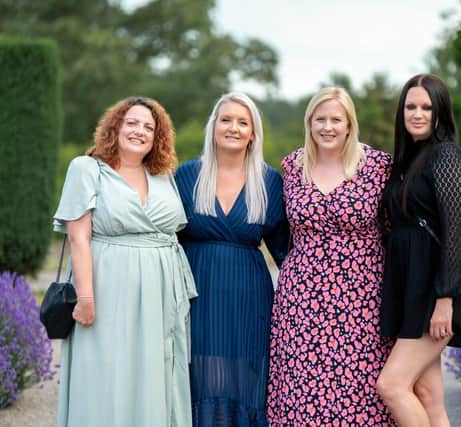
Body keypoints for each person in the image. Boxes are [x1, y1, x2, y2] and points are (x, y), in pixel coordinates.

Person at [53, 97, 197, 427]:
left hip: (160, 294)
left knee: (152, 372)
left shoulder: (163, 176)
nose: (139, 131)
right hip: (107, 285)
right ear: (115, 127)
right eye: (132, 123)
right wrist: (86, 298)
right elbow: (78, 237)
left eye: (149, 127)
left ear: (157, 136)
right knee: (106, 372)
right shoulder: (87, 168)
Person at [267, 87, 397, 426]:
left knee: (361, 386)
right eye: (320, 119)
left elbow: (402, 217)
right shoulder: (293, 167)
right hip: (302, 298)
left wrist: (458, 227)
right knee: (303, 387)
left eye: (336, 119)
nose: (328, 127)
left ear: (349, 123)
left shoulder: (377, 166)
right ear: (309, 123)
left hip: (362, 296)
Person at [175, 92, 289, 426]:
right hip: (198, 291)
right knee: (198, 372)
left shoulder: (268, 181)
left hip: (248, 295)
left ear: (254, 133)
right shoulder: (186, 176)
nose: (233, 128)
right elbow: (166, 240)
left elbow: (285, 249)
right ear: (213, 127)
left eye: (243, 122)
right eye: (226, 120)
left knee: (244, 376)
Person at [376, 74, 461, 427]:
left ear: (440, 112)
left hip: (438, 292)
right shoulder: (405, 162)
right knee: (429, 397)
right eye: (410, 106)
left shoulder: (446, 154)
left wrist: (445, 298)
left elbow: (454, 230)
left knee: (391, 385)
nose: (417, 114)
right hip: (411, 289)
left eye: (426, 107)